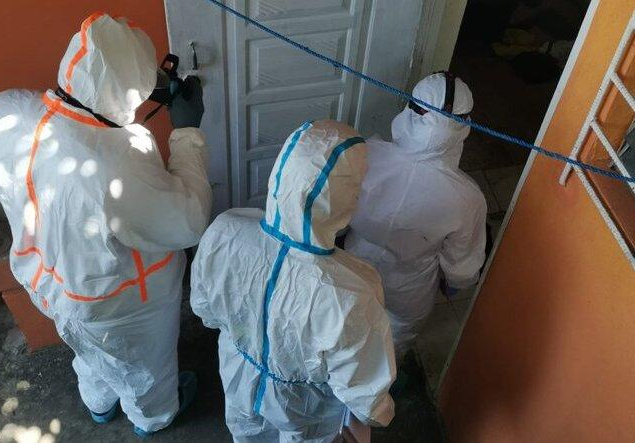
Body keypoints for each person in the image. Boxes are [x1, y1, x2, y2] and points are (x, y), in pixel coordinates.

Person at [0, 13, 212, 437]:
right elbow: (187, 221)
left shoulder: (5, 110)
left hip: (47, 283)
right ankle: (154, 418)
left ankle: (99, 405)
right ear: (130, 91)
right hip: (121, 307)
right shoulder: (118, 163)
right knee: (144, 370)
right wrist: (187, 133)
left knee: (87, 351)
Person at [190, 120, 396, 442]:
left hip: (238, 374)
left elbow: (205, 310)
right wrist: (380, 414)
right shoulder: (352, 291)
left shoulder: (224, 232)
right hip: (306, 408)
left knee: (245, 432)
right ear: (347, 195)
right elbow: (363, 389)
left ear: (282, 172)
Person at [345, 72, 487, 361]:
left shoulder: (365, 154)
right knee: (396, 337)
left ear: (410, 112)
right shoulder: (467, 197)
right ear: (464, 126)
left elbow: (334, 208)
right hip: (410, 285)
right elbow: (461, 264)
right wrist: (456, 282)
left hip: (352, 262)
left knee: (346, 322)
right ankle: (384, 375)